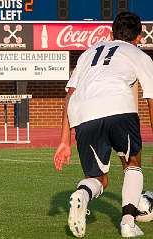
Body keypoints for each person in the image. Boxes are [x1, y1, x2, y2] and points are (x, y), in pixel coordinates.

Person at [53, 11, 153, 238]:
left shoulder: (89, 53)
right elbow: (151, 97)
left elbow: (70, 95)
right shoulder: (138, 54)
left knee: (99, 178)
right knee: (132, 163)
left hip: (83, 113)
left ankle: (83, 194)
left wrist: (64, 141)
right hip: (119, 107)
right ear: (139, 37)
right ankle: (128, 222)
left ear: (110, 32)